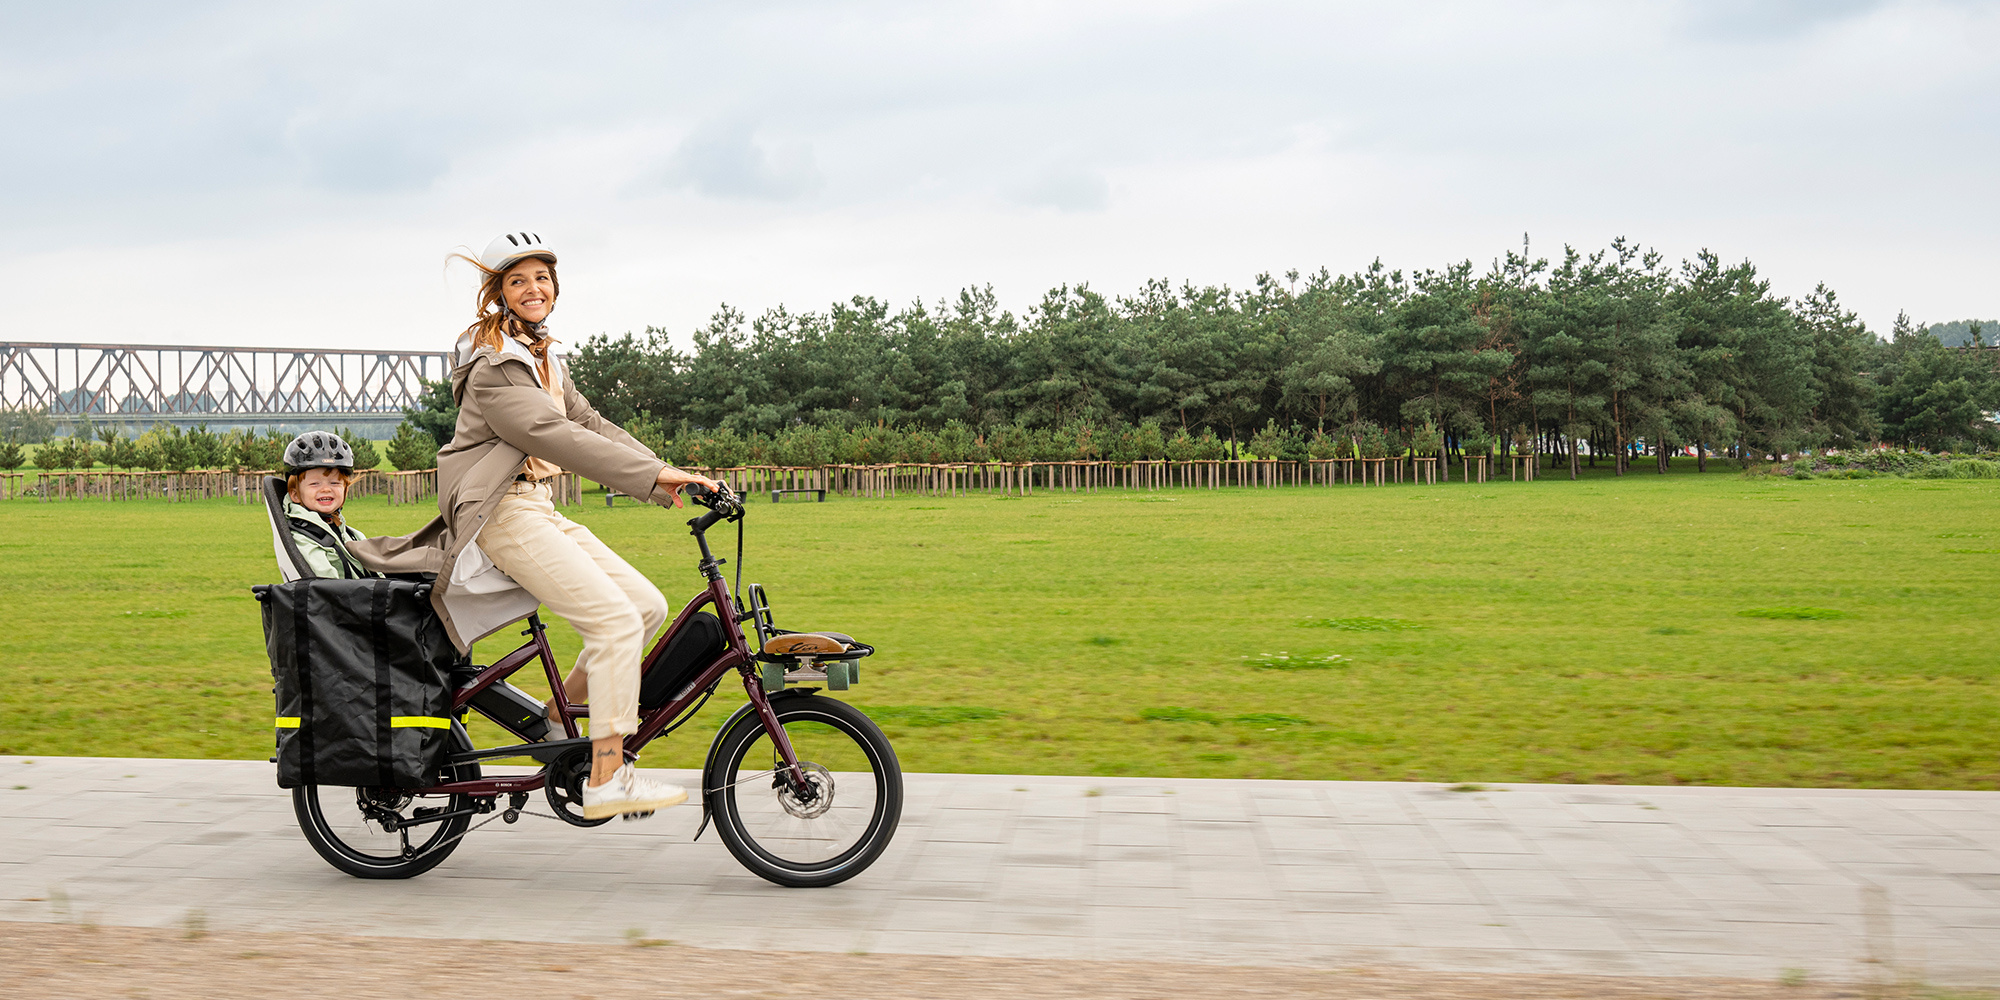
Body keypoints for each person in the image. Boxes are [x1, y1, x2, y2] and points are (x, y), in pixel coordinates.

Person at [349, 231, 719, 821]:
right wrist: (651, 477)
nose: (533, 288)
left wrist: (666, 472)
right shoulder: (494, 363)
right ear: (497, 293)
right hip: (500, 513)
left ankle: (554, 720)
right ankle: (606, 776)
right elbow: (552, 436)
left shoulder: (542, 355)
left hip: (536, 505)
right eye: (517, 280)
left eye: (542, 278)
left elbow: (589, 422)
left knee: (645, 605)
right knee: (613, 620)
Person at [280, 432, 376, 580]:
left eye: (334, 483)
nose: (326, 489)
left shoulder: (352, 535)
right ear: (295, 495)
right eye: (314, 483)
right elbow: (328, 588)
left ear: (345, 489)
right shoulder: (305, 539)